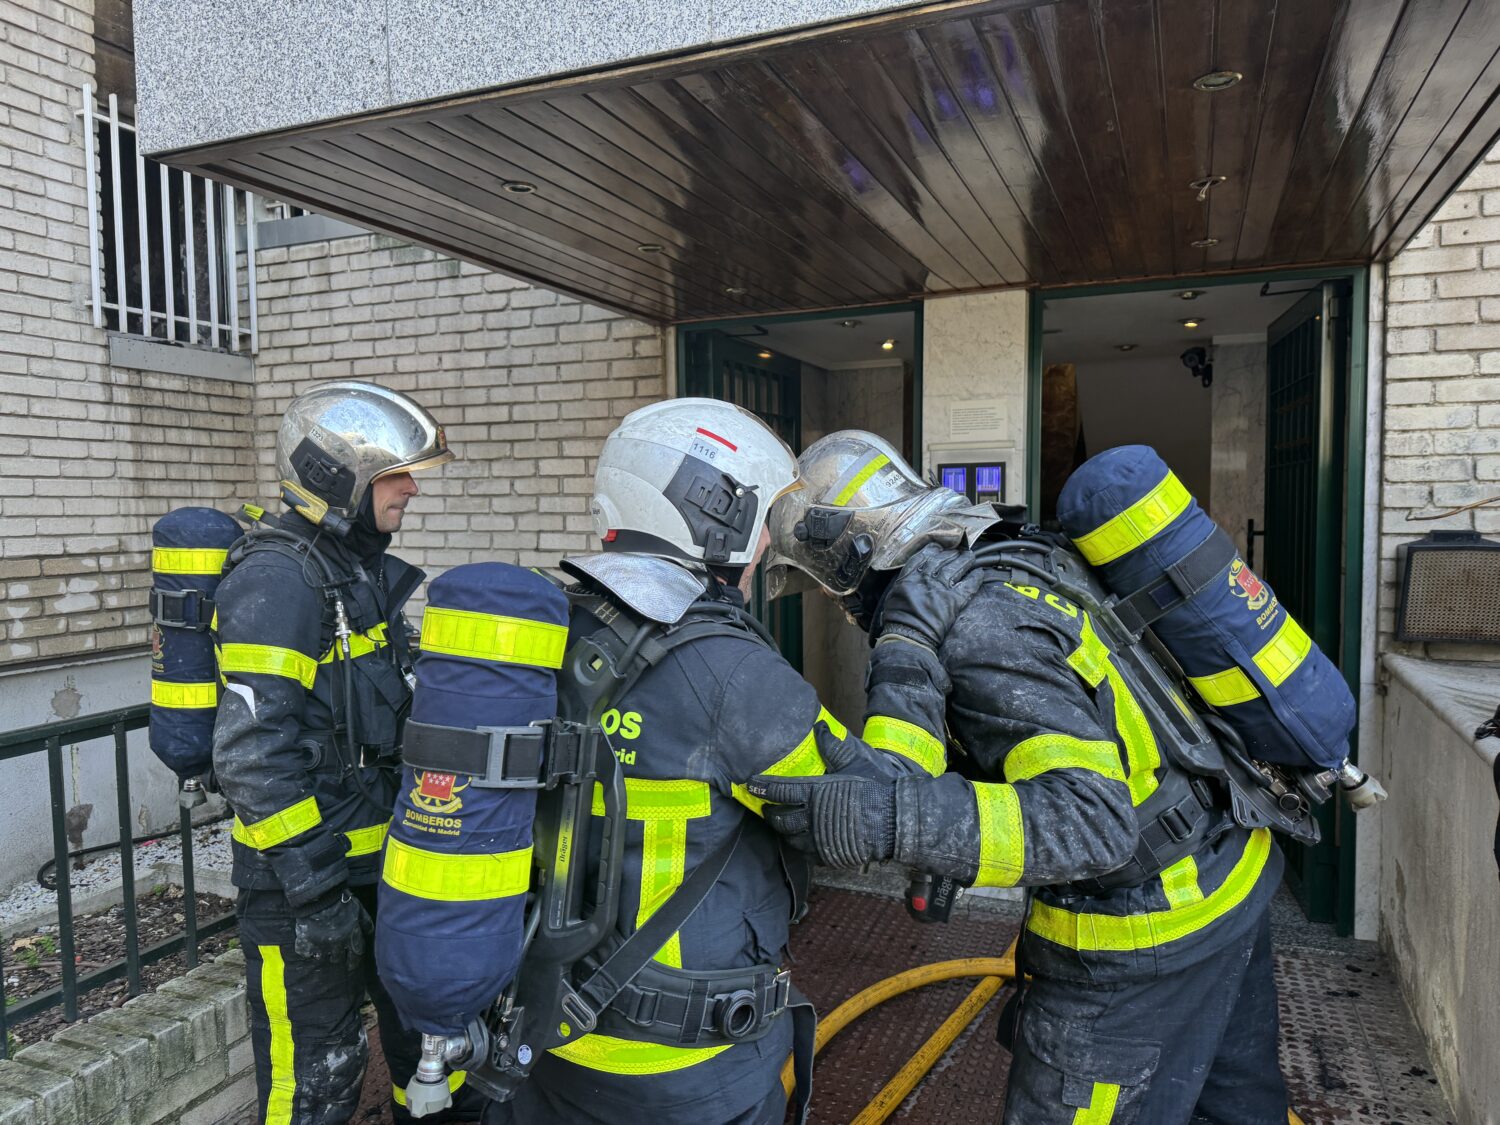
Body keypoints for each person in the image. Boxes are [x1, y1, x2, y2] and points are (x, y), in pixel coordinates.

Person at [751, 430, 1292, 1125]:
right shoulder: (1010, 556)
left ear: (848, 553)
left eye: (828, 587)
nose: (837, 604)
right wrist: (907, 658)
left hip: (1143, 941)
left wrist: (894, 820)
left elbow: (1093, 824)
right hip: (1229, 880)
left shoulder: (976, 622)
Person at [480, 400, 928, 1125]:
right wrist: (910, 647)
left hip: (546, 1042)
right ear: (715, 515)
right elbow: (882, 809)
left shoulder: (540, 636)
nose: (763, 554)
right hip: (689, 1073)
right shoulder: (734, 675)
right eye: (759, 529)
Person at [211, 380, 467, 1125]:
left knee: (425, 1056)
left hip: (379, 875)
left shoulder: (353, 573)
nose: (413, 489)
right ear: (338, 475)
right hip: (301, 891)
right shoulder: (277, 578)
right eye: (396, 473)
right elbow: (251, 754)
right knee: (314, 1086)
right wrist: (318, 895)